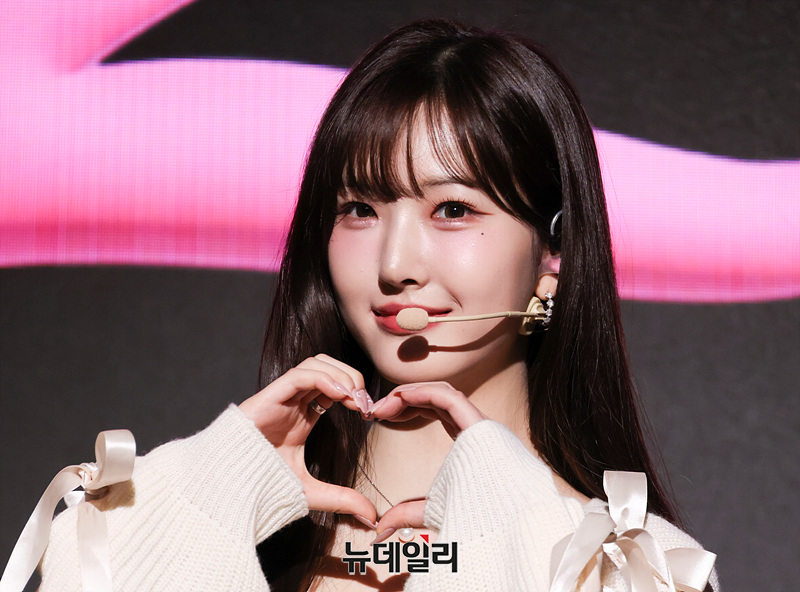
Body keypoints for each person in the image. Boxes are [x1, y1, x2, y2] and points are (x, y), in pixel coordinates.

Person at [28, 18, 717, 592]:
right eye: (359, 209)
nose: (394, 265)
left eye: (452, 209)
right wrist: (209, 492)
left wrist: (509, 526)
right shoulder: (206, 526)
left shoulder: (636, 569)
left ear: (553, 257)